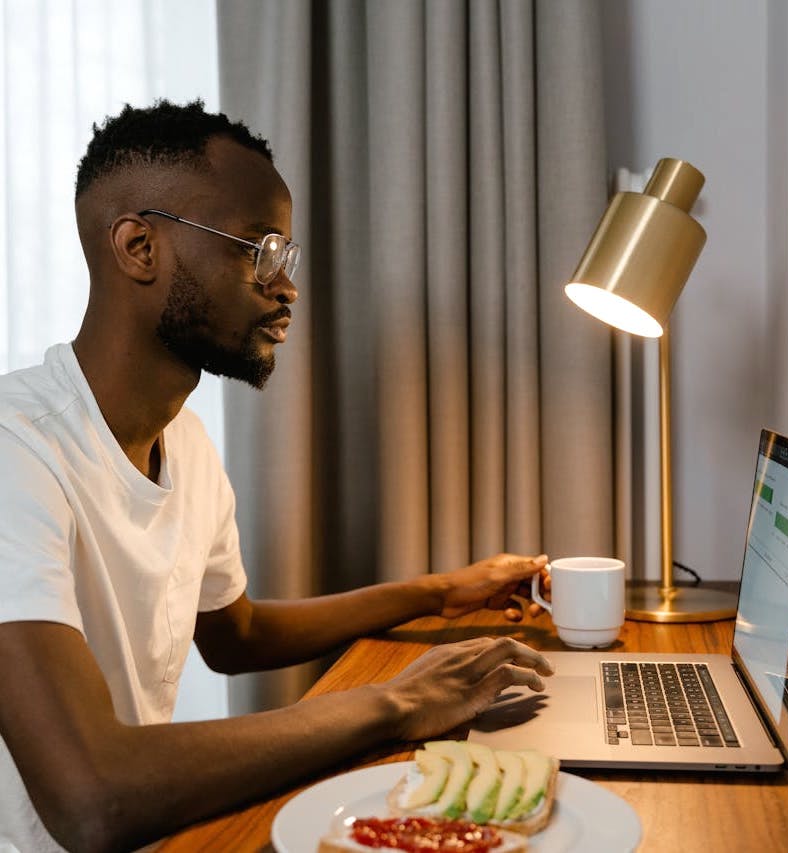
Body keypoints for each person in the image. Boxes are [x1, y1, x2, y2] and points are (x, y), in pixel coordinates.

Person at [0, 100, 553, 853]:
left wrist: (438, 592)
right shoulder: (15, 446)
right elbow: (90, 794)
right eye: (257, 250)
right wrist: (397, 699)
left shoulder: (182, 440)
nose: (285, 288)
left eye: (286, 257)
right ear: (138, 247)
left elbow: (237, 633)